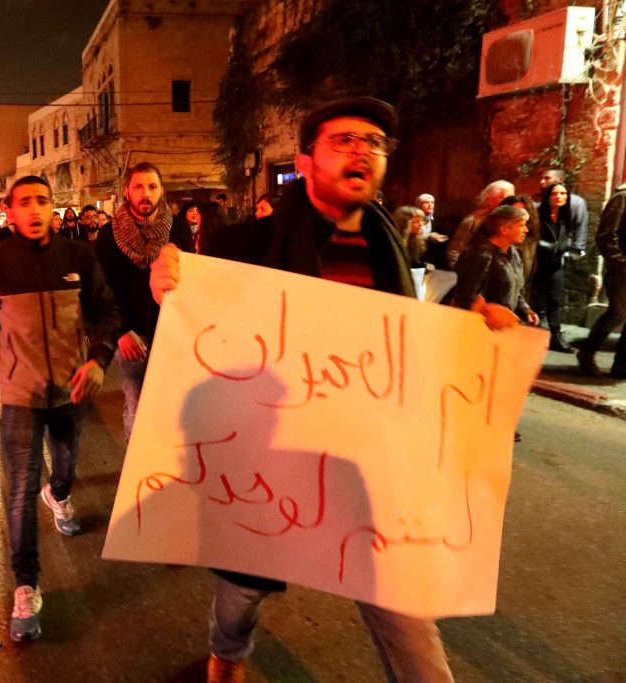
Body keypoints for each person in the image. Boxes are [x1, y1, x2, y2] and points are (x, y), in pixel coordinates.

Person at [149, 97, 523, 683]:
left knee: (409, 624)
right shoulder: (245, 248)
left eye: (374, 143)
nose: (362, 151)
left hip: (369, 469)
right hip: (272, 467)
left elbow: (412, 353)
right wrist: (169, 286)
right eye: (344, 140)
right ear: (306, 160)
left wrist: (482, 334)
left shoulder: (393, 251)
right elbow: (197, 339)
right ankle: (227, 653)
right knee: (242, 593)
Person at [0, 175, 119, 642]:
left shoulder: (77, 257)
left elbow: (107, 311)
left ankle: (61, 492)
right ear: (9, 212)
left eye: (42, 201)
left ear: (53, 209)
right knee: (20, 492)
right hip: (20, 398)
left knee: (65, 465)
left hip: (71, 394)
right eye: (23, 202)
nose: (33, 209)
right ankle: (26, 585)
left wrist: (98, 359)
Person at [96, 162, 194, 442]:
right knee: (138, 408)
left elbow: (190, 278)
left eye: (152, 186)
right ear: (127, 191)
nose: (145, 194)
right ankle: (136, 479)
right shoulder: (109, 235)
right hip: (132, 338)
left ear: (161, 190)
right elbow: (103, 290)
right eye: (138, 187)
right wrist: (122, 332)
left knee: (174, 409)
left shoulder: (178, 228)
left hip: (171, 334)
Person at [452, 205, 539, 325]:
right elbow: (466, 295)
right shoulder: (480, 255)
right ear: (504, 230)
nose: (526, 230)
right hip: (479, 327)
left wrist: (526, 309)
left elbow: (515, 290)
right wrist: (486, 311)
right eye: (521, 225)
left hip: (501, 327)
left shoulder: (513, 254)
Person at [578, 185, 626, 378]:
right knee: (618, 313)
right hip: (621, 271)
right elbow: (606, 235)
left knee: (619, 314)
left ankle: (621, 366)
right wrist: (621, 264)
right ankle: (587, 353)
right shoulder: (622, 198)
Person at [535, 181, 580, 352]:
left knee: (555, 301)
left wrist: (566, 246)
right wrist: (550, 247)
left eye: (563, 194)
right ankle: (534, 337)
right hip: (538, 263)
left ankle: (556, 338)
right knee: (536, 302)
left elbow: (567, 236)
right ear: (548, 196)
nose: (559, 197)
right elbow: (531, 237)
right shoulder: (538, 214)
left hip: (555, 264)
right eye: (555, 193)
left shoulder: (565, 215)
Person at [447, 180, 515, 268]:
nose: (509, 202)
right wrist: (463, 274)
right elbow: (455, 251)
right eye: (504, 198)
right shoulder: (473, 222)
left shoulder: (517, 223)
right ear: (489, 200)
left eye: (511, 198)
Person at [499, 194, 541, 295]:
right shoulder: (493, 244)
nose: (519, 215)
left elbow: (526, 279)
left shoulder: (530, 242)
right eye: (515, 211)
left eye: (523, 211)